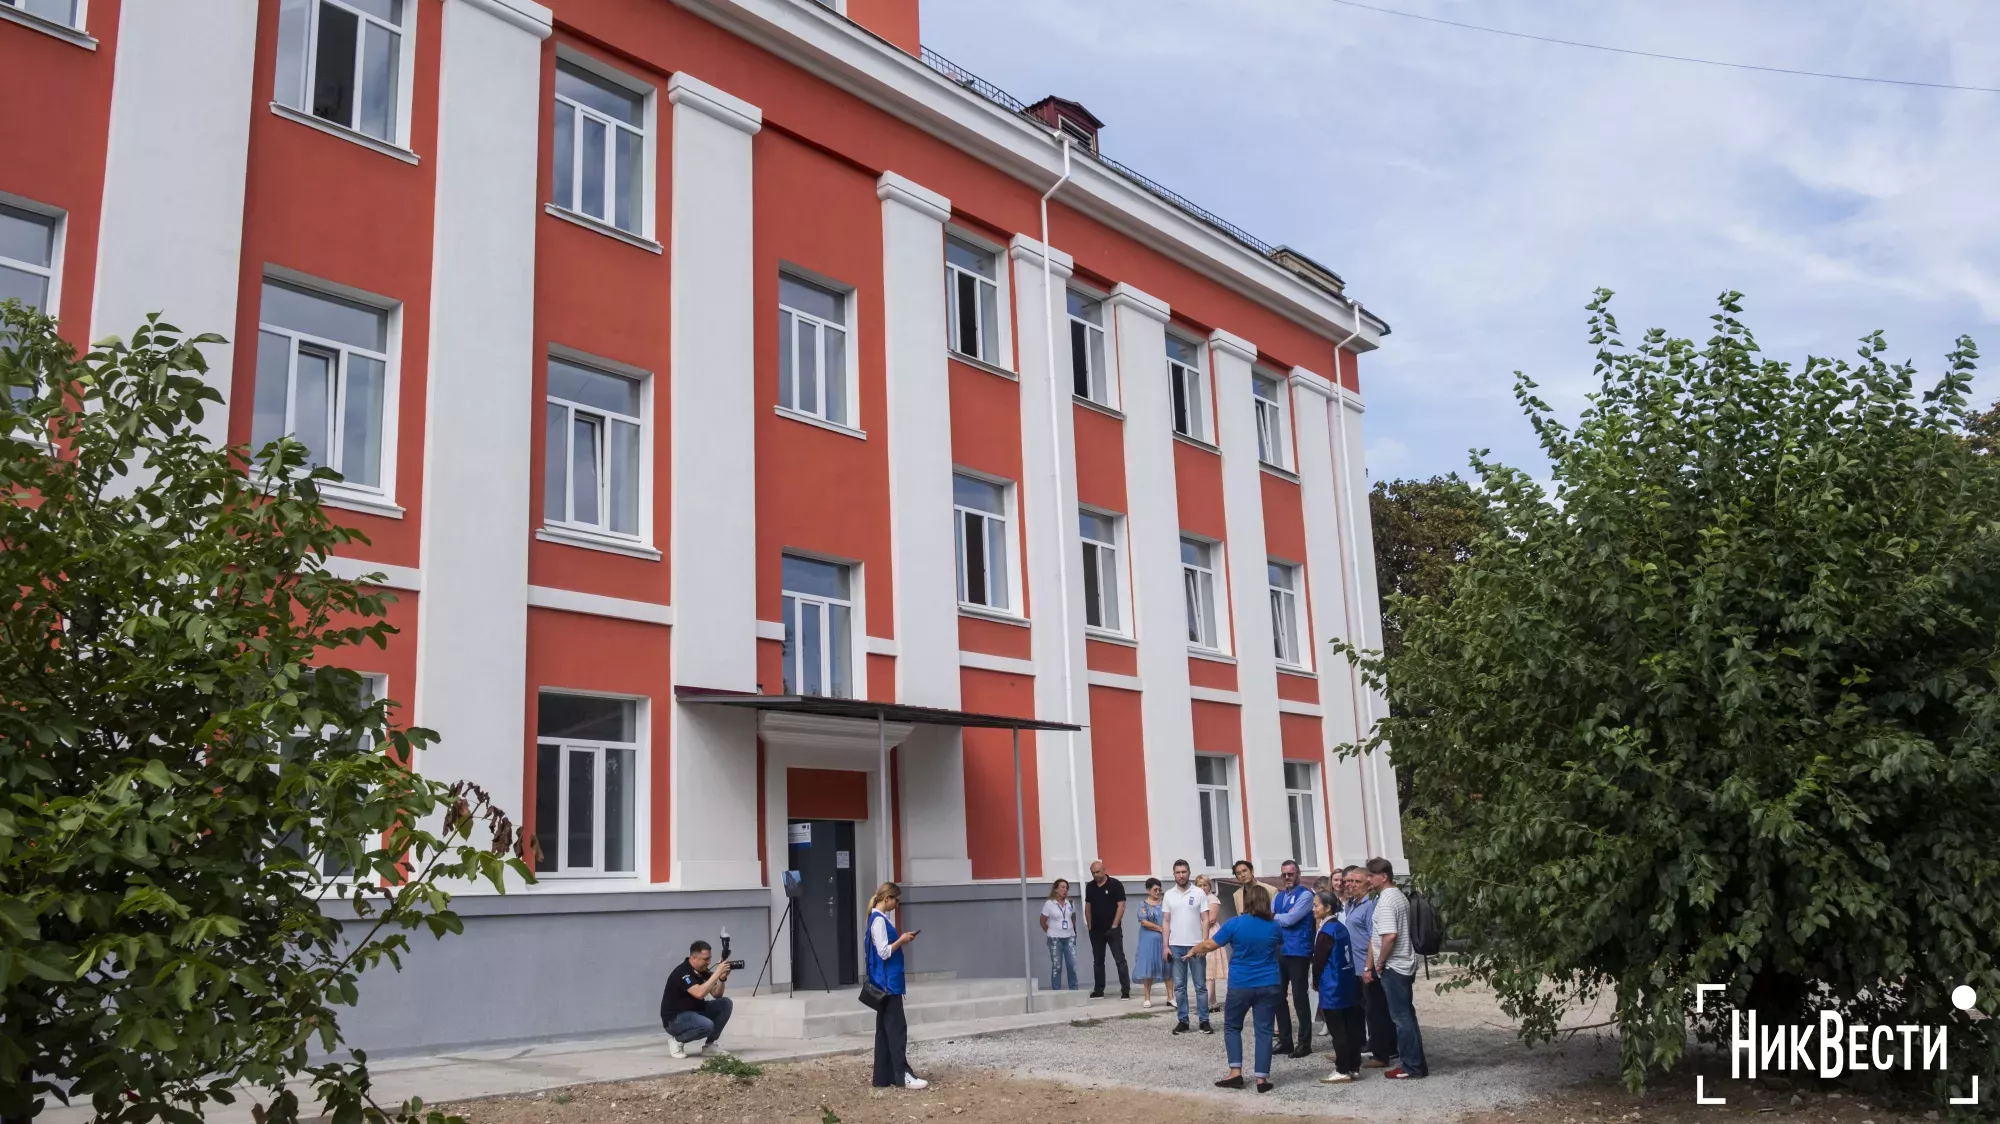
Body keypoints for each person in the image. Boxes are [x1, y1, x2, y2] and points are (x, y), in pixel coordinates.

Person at [1182, 882, 1284, 1094]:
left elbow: (1210, 944)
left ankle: (1235, 1073)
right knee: (1264, 1030)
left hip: (1241, 983)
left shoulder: (1235, 923)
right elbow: (1278, 946)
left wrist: (1193, 949)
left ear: (1247, 902)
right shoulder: (1275, 926)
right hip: (1269, 982)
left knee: (1232, 1026)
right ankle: (1262, 1079)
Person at [1364, 857, 1428, 1079]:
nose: (1368, 879)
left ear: (1383, 877)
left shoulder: (1387, 901)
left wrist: (1380, 962)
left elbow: (1390, 935)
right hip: (1402, 963)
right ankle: (1416, 1063)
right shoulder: (1397, 895)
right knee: (1407, 1016)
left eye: (1371, 875)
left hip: (1394, 966)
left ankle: (1411, 1066)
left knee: (1401, 1018)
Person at [865, 881, 928, 1089]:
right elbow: (883, 952)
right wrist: (901, 940)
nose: (897, 905)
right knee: (897, 1030)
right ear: (887, 898)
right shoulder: (879, 921)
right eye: (896, 900)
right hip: (888, 984)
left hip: (883, 983)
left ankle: (883, 1077)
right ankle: (902, 1075)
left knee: (884, 1031)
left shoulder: (876, 919)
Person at [1309, 890, 1365, 1083]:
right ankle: (1354, 1066)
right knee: (1350, 1028)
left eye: (1316, 905)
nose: (1313, 909)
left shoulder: (1327, 931)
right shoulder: (1341, 927)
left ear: (1328, 908)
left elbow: (1319, 960)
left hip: (1332, 984)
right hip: (1347, 981)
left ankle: (1342, 1069)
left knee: (1337, 1030)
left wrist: (1315, 980)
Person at [1343, 865, 1396, 1068]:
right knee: (1362, 1011)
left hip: (1367, 966)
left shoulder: (1371, 905)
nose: (1352, 885)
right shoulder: (1353, 904)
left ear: (1368, 883)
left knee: (1376, 1012)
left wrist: (1369, 967)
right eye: (1350, 881)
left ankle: (1383, 1054)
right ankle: (1364, 1048)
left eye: (1357, 881)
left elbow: (1374, 937)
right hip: (1355, 966)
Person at [1160, 859, 1213, 1034]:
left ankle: (1204, 1021)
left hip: (1196, 945)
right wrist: (1165, 946)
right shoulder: (1169, 895)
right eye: (1178, 872)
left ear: (1189, 873)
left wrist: (1204, 943)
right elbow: (1166, 921)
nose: (1181, 875)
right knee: (1179, 986)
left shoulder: (1199, 893)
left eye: (1184, 872)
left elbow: (1205, 919)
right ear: (1174, 874)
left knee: (1200, 986)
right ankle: (1183, 1020)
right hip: (1175, 945)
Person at [659, 939, 733, 1060]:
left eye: (710, 958)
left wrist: (722, 978)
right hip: (675, 1019)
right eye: (705, 959)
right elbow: (699, 993)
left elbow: (717, 994)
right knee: (707, 1025)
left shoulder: (703, 971)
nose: (709, 962)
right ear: (693, 958)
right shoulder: (683, 972)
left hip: (695, 1012)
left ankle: (709, 1046)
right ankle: (677, 1041)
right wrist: (717, 973)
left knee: (725, 1003)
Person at [1272, 859, 1316, 1058]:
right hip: (1279, 950)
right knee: (1278, 996)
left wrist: (1275, 916)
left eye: (1290, 874)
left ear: (1298, 874)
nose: (1287, 877)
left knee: (1299, 997)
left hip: (1298, 951)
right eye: (1284, 874)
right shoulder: (1278, 896)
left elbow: (1291, 919)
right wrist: (1279, 916)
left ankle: (1304, 1043)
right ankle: (1285, 1041)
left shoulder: (1306, 895)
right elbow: (1272, 917)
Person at [1083, 860, 1130, 1000]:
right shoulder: (1090, 886)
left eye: (1098, 872)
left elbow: (1121, 906)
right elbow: (1088, 906)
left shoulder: (1115, 884)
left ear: (1104, 870)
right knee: (1098, 961)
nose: (1095, 875)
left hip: (1113, 929)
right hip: (1096, 930)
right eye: (1093, 873)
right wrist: (1089, 926)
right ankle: (1099, 990)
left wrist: (1114, 925)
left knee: (1119, 959)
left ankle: (1125, 991)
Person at [1039, 878, 1080, 991]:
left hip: (1069, 937)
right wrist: (1050, 931)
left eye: (1066, 888)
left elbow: (1073, 917)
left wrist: (1073, 931)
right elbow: (1042, 921)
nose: (1065, 890)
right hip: (1055, 939)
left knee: (1072, 964)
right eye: (1062, 887)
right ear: (1056, 889)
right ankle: (1056, 990)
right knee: (1057, 966)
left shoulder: (1070, 902)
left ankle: (1074, 989)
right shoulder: (1049, 903)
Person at [1133, 877, 1168, 1007]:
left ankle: (1171, 996)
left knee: (1167, 966)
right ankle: (1147, 998)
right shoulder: (1143, 905)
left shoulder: (1165, 904)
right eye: (1155, 890)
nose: (1158, 892)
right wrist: (1160, 928)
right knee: (1148, 968)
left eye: (1159, 890)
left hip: (1164, 940)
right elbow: (1143, 921)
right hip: (1148, 940)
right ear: (1148, 890)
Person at [1196, 873, 1226, 1013]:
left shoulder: (1212, 899)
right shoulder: (1197, 898)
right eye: (1199, 885)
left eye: (1205, 885)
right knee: (1205, 971)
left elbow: (1212, 919)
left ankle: (1205, 1004)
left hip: (1210, 933)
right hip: (1200, 932)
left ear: (1209, 886)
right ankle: (1213, 1003)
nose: (1203, 888)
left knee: (1209, 971)